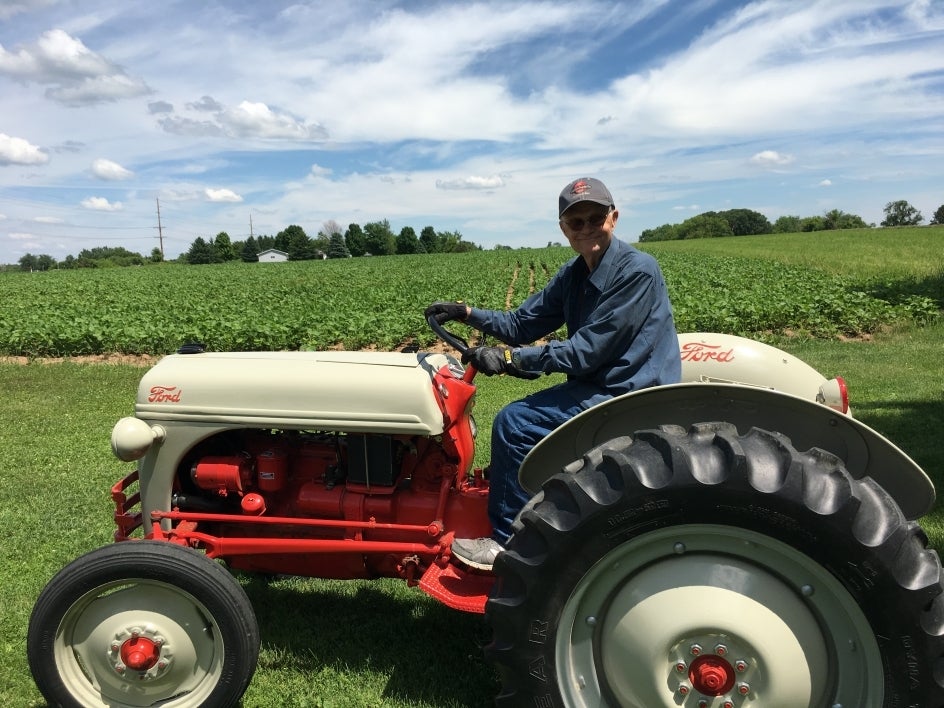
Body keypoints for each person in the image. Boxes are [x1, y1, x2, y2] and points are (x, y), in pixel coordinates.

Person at [425, 177, 681, 570]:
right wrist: (467, 313)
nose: (587, 228)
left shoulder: (636, 271)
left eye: (596, 217)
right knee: (520, 424)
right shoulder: (575, 274)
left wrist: (511, 361)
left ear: (613, 218)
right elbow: (523, 323)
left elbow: (586, 351)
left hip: (629, 393)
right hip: (601, 383)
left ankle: (506, 543)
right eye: (576, 222)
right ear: (564, 229)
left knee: (515, 423)